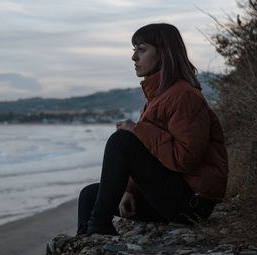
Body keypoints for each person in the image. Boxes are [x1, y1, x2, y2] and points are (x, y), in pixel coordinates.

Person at [76, 23, 228, 235]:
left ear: (164, 54)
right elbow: (151, 157)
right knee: (89, 195)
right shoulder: (158, 98)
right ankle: (91, 241)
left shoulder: (183, 96)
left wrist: (138, 130)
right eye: (134, 50)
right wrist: (129, 190)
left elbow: (185, 159)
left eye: (142, 49)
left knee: (121, 141)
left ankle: (96, 231)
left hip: (192, 203)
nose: (134, 58)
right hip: (171, 195)